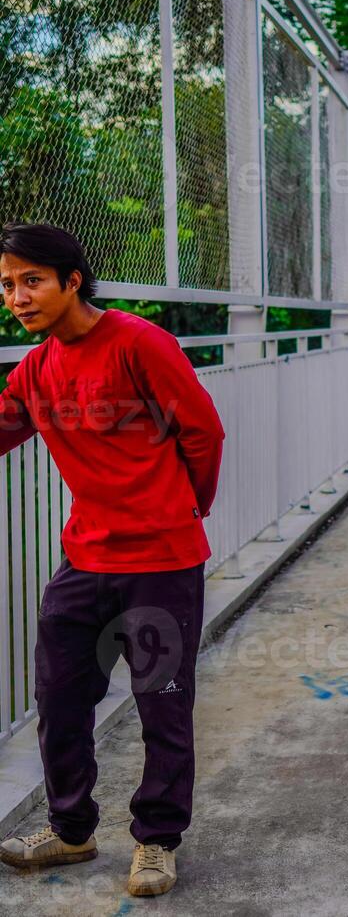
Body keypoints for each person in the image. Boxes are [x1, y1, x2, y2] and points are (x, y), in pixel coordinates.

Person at [0, 222, 225, 897]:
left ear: (72, 280)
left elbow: (203, 431)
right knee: (60, 698)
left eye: (31, 280)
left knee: (162, 701)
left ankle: (156, 841)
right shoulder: (37, 367)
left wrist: (188, 509)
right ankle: (71, 831)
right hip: (84, 562)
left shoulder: (137, 342)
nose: (17, 296)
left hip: (159, 560)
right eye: (7, 284)